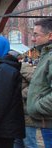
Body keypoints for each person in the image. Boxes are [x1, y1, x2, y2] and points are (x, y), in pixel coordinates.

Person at [27, 18, 52, 148]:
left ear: (50, 35)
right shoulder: (46, 55)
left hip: (48, 123)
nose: (32, 39)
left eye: (36, 34)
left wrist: (37, 107)